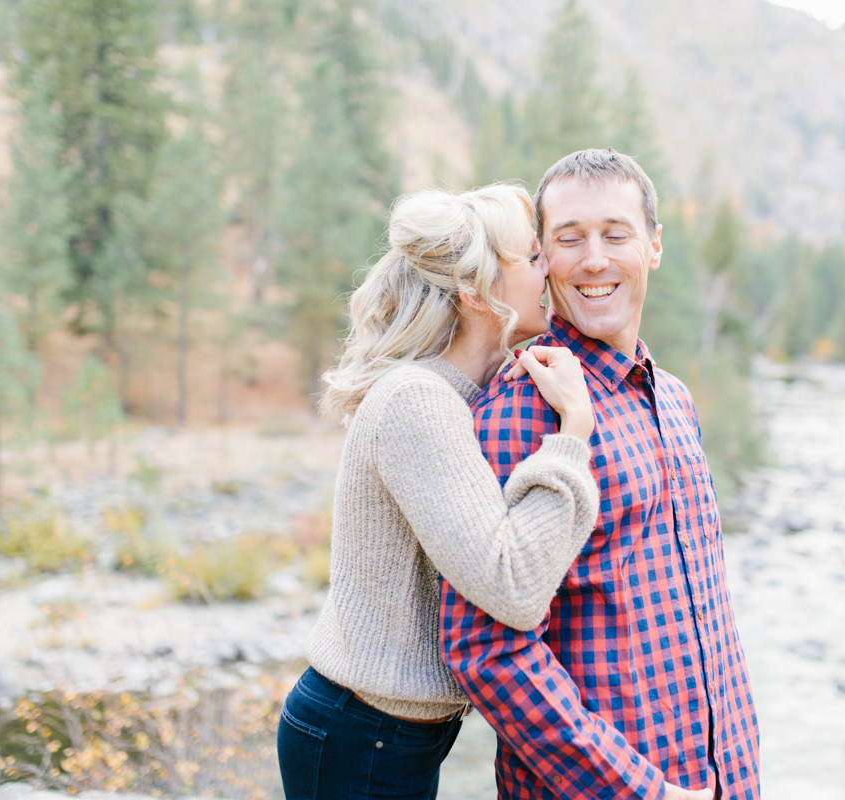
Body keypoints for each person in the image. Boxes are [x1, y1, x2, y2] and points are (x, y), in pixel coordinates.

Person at [441, 150, 760, 800]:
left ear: (654, 246)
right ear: (542, 258)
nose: (593, 259)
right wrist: (642, 793)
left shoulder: (672, 398)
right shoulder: (524, 407)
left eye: (615, 234)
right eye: (568, 239)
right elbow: (486, 650)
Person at [277, 184, 603, 800]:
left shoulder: (465, 395)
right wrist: (573, 436)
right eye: (533, 258)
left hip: (387, 732)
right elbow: (512, 584)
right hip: (359, 735)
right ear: (478, 294)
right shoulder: (418, 402)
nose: (550, 271)